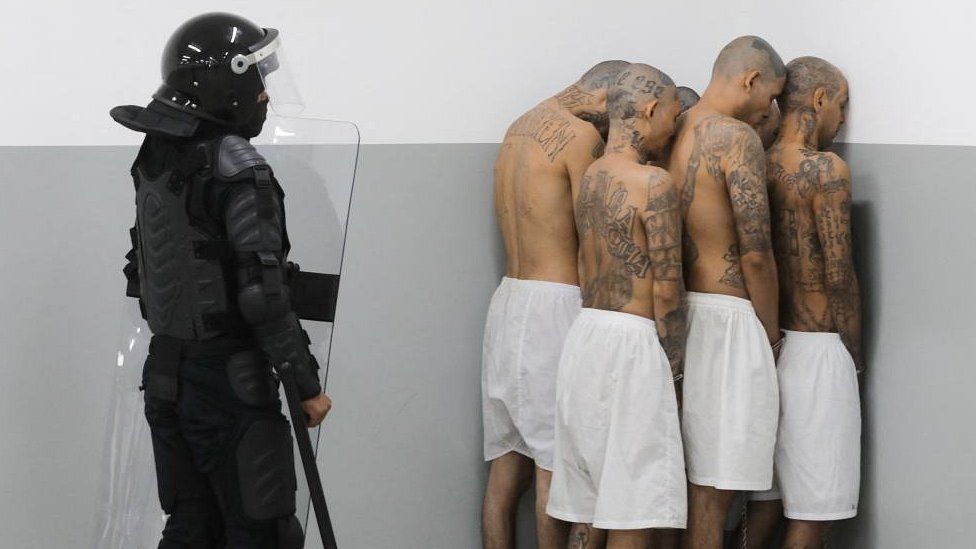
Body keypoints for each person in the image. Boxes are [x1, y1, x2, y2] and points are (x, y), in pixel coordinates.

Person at [111, 12, 331, 548]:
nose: (263, 95)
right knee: (262, 533)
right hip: (229, 381)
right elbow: (263, 296)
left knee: (193, 528)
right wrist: (305, 382)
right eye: (257, 79)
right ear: (227, 80)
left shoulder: (157, 157)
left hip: (165, 373)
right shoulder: (240, 169)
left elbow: (147, 270)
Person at [483, 60, 628, 549]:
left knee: (507, 465)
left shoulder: (516, 126)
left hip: (509, 301)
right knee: (557, 464)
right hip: (555, 307)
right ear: (605, 100)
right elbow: (597, 239)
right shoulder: (580, 137)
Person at [545, 63, 687, 549]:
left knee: (588, 502)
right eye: (672, 115)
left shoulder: (592, 176)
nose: (675, 128)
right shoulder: (654, 184)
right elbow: (668, 288)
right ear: (650, 110)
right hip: (633, 344)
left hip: (584, 337)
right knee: (632, 506)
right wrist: (675, 368)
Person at [664, 36, 786, 549]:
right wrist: (772, 332)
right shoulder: (735, 138)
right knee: (715, 491)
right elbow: (756, 251)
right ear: (751, 79)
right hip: (730, 319)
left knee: (694, 486)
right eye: (771, 96)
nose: (770, 110)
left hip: (683, 312)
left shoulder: (676, 127)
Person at [745, 56, 862, 549]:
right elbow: (840, 276)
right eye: (842, 105)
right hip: (816, 348)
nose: (843, 119)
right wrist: (854, 357)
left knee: (764, 507)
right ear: (819, 100)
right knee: (814, 515)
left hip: (765, 345)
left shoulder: (756, 162)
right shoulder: (825, 170)